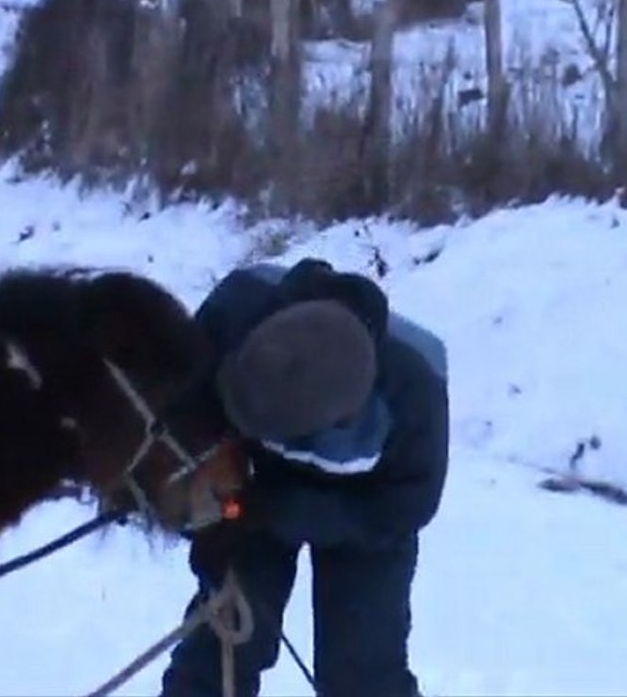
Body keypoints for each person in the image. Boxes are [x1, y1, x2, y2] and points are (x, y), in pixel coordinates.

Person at [160, 258, 449, 697]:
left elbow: (401, 509)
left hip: (363, 511)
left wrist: (283, 510)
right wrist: (196, 497)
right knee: (226, 634)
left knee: (363, 671)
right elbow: (183, 412)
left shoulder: (415, 387)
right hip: (249, 480)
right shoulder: (235, 308)